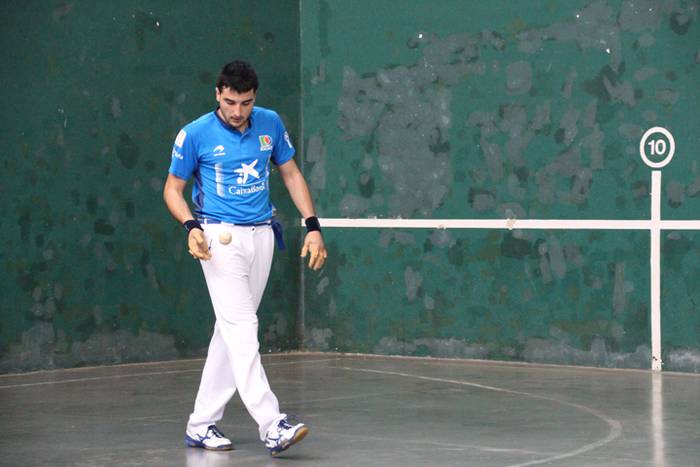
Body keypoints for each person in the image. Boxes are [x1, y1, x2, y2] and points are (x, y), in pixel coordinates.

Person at [162, 59, 327, 456]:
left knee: (230, 332)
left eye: (246, 103)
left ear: (255, 98)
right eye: (231, 102)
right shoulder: (195, 134)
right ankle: (272, 424)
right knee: (243, 327)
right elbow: (172, 188)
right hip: (219, 240)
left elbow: (290, 173)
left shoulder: (270, 123)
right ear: (218, 94)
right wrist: (191, 226)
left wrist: (313, 225)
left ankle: (201, 424)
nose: (238, 111)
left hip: (263, 236)